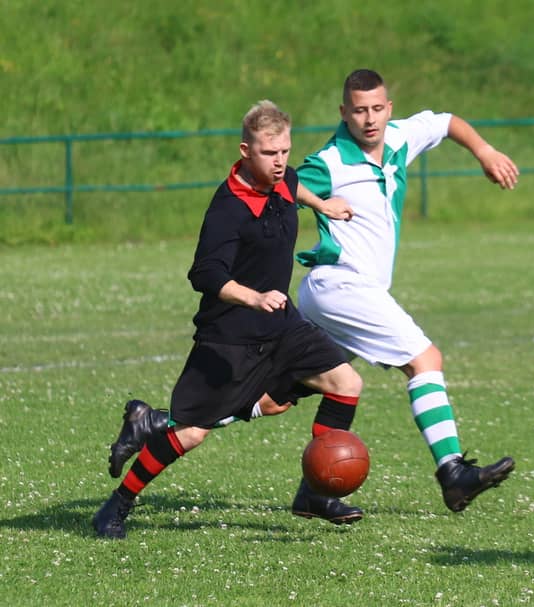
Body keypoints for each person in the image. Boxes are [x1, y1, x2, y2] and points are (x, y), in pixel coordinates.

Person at [94, 100, 366, 539]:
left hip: (282, 326)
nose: (279, 162)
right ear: (245, 151)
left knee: (344, 383)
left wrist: (324, 206)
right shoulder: (229, 208)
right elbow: (204, 274)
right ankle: (117, 504)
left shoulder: (283, 178)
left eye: (284, 151)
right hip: (231, 337)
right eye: (268, 153)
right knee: (191, 434)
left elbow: (293, 185)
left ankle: (314, 494)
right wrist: (252, 297)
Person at [285, 68, 519, 513]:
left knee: (289, 389)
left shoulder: (398, 138)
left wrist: (485, 151)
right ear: (344, 112)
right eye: (359, 110)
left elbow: (446, 122)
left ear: (389, 108)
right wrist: (320, 202)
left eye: (377, 108)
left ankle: (165, 426)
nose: (369, 119)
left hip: (340, 293)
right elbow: (283, 183)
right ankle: (452, 472)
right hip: (341, 285)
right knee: (425, 360)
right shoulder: (330, 161)